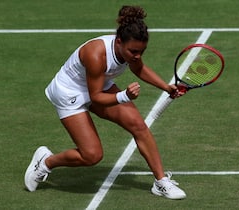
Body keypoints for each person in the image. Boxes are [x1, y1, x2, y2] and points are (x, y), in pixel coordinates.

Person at [24, 5, 186, 200]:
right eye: (133, 51)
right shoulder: (96, 55)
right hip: (69, 94)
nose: (137, 56)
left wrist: (166, 87)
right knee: (91, 155)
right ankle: (46, 162)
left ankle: (161, 182)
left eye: (141, 51)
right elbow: (96, 97)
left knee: (138, 125)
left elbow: (139, 68)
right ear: (118, 42)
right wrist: (125, 95)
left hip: (99, 83)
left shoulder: (130, 49)